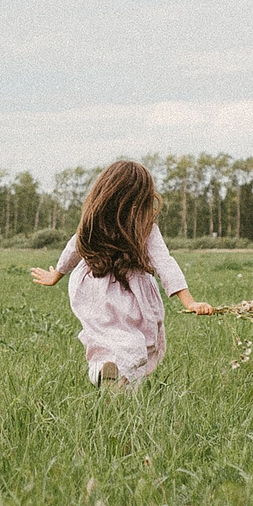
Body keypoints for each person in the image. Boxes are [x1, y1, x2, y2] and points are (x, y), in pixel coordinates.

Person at [31, 159, 214, 393]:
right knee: (137, 343)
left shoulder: (93, 222)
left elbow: (73, 248)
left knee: (103, 340)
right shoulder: (145, 227)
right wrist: (189, 301)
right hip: (132, 295)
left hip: (93, 292)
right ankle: (123, 389)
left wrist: (57, 274)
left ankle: (104, 373)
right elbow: (165, 263)